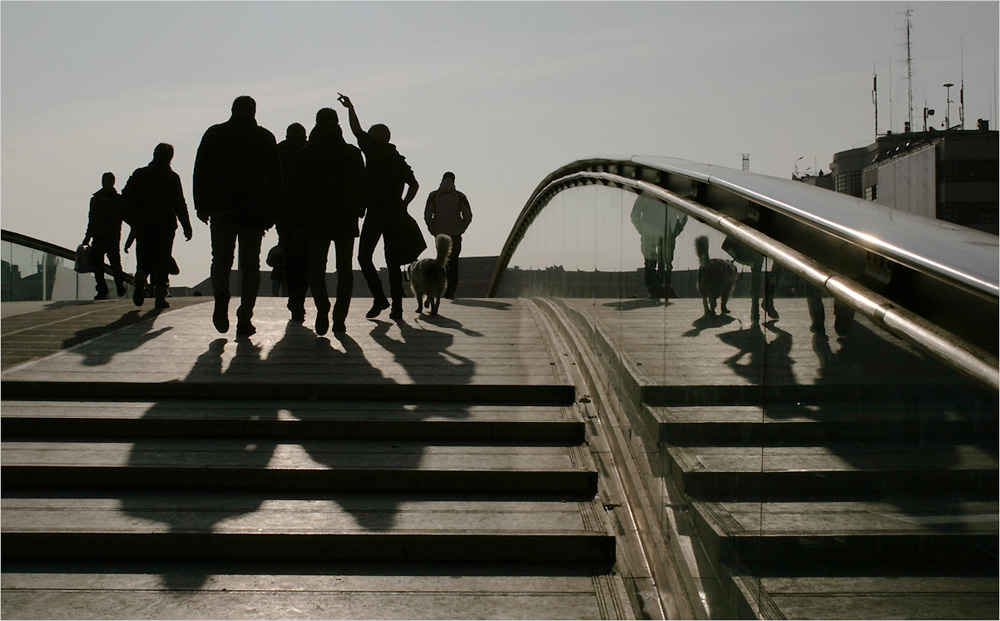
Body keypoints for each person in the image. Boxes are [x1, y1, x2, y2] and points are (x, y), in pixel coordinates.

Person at [193, 96, 283, 337]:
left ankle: (221, 295)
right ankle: (245, 316)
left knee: (221, 258)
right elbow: (275, 177)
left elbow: (200, 169)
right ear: (254, 111)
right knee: (250, 265)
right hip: (253, 210)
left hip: (221, 207)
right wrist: (272, 210)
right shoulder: (264, 137)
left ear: (232, 110)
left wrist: (201, 205)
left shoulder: (214, 134)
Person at [338, 94, 419, 320]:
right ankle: (397, 308)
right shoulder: (397, 158)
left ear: (378, 137)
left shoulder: (373, 151)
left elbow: (356, 130)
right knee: (392, 262)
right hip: (393, 213)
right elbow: (414, 184)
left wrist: (350, 108)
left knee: (364, 257)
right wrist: (403, 204)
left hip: (375, 212)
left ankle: (380, 298)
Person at [289, 107, 367, 335]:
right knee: (344, 269)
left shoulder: (307, 153)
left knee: (316, 269)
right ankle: (340, 317)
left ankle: (322, 307)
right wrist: (359, 209)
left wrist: (296, 221)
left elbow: (297, 190)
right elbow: (362, 184)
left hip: (315, 219)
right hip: (344, 217)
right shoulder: (351, 153)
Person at [121, 143, 193, 309]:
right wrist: (186, 226)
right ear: (170, 158)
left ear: (154, 154)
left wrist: (133, 220)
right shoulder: (172, 177)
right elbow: (179, 203)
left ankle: (141, 275)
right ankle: (160, 295)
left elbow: (124, 199)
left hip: (144, 223)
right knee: (162, 258)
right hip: (165, 224)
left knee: (144, 255)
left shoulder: (139, 174)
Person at [275, 123, 309, 321]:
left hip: (285, 214)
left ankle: (294, 300)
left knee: (291, 259)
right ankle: (299, 299)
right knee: (305, 260)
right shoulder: (311, 151)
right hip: (307, 215)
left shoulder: (278, 152)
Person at [424, 171, 472, 299]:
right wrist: (461, 228)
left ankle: (440, 287)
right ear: (454, 181)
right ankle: (451, 288)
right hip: (455, 233)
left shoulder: (433, 196)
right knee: (454, 261)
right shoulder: (460, 196)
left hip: (440, 234)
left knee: (441, 260)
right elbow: (467, 216)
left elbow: (428, 215)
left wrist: (433, 229)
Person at [630, 194, 687, 300]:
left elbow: (634, 215)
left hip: (654, 233)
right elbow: (683, 216)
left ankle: (655, 289)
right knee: (664, 262)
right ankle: (660, 288)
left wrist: (643, 230)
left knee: (652, 262)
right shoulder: (671, 194)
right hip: (665, 233)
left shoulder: (646, 194)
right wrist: (676, 230)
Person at [82, 172, 127, 300]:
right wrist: (88, 237)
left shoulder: (104, 199)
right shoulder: (113, 199)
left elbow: (93, 220)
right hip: (105, 236)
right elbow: (92, 220)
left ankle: (112, 287)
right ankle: (107, 288)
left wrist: (88, 236)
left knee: (110, 264)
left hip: (107, 236)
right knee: (103, 265)